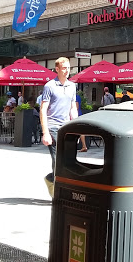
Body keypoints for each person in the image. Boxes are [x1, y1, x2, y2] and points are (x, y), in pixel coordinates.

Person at [40, 57, 79, 196]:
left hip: (67, 127)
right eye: (64, 68)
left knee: (69, 159)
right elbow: (43, 109)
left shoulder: (72, 86)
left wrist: (77, 127)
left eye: (69, 68)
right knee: (58, 160)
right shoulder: (49, 86)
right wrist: (45, 132)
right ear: (57, 69)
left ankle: (52, 179)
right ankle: (59, 191)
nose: (67, 71)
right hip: (53, 127)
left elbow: (73, 108)